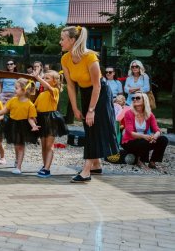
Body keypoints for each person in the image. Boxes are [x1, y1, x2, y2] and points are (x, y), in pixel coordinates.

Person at [60, 26, 118, 183]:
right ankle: (96, 164)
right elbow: (71, 86)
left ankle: (86, 171)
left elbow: (97, 86)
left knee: (92, 128)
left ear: (72, 40)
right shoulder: (65, 59)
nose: (60, 42)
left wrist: (91, 110)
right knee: (89, 128)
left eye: (62, 39)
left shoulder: (90, 57)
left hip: (100, 93)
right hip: (86, 92)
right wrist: (74, 107)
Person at [0, 78, 40, 174]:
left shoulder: (30, 104)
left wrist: (33, 126)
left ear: (24, 90)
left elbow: (30, 118)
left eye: (16, 88)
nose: (14, 90)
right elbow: (5, 110)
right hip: (13, 125)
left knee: (20, 146)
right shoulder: (13, 100)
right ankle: (17, 160)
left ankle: (19, 167)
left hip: (23, 126)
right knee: (16, 145)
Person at [33, 70, 68, 178]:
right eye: (44, 78)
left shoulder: (55, 91)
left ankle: (47, 169)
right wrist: (33, 116)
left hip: (51, 119)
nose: (44, 80)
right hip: (41, 119)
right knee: (43, 145)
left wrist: (38, 78)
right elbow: (35, 107)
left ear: (55, 81)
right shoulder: (42, 94)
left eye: (47, 78)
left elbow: (49, 87)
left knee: (49, 145)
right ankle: (45, 166)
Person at [121, 92, 168, 170]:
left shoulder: (149, 114)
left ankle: (152, 162)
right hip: (129, 141)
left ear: (144, 100)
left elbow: (157, 130)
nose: (135, 99)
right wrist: (144, 136)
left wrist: (155, 136)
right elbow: (130, 132)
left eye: (138, 98)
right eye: (133, 98)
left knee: (163, 139)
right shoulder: (128, 113)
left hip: (144, 141)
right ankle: (140, 161)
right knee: (144, 140)